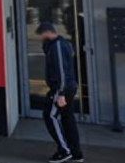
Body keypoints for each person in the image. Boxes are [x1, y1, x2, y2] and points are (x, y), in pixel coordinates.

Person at [37, 22, 84, 163]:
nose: (41, 38)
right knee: (67, 118)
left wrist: (61, 93)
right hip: (70, 86)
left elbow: (61, 72)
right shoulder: (64, 43)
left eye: (42, 35)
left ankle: (64, 150)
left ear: (47, 32)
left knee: (49, 116)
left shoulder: (56, 46)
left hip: (61, 88)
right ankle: (76, 153)